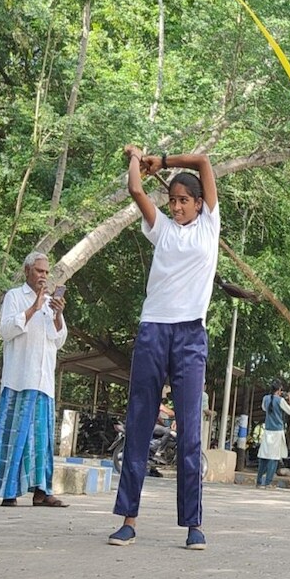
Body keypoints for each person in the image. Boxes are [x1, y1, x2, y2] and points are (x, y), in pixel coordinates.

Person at [109, 147, 219, 550]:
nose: (176, 207)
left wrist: (163, 159)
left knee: (189, 430)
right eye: (172, 200)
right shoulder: (162, 229)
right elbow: (136, 190)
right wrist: (136, 160)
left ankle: (193, 524)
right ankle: (128, 519)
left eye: (184, 200)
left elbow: (205, 163)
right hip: (154, 330)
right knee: (139, 422)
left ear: (198, 203)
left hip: (190, 335)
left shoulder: (210, 225)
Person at [0, 251, 69, 508]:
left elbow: (59, 339)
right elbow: (7, 330)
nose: (43, 276)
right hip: (19, 380)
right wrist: (33, 306)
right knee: (16, 438)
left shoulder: (50, 302)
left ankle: (42, 492)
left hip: (44, 381)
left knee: (41, 441)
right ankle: (9, 491)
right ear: (27, 272)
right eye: (39, 271)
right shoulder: (15, 296)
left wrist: (56, 314)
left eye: (46, 272)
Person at [257, 383, 290, 488]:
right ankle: (268, 482)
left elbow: (264, 408)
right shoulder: (280, 400)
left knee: (264, 456)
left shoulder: (266, 398)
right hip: (277, 431)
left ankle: (259, 481)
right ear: (279, 390)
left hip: (267, 430)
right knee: (274, 458)